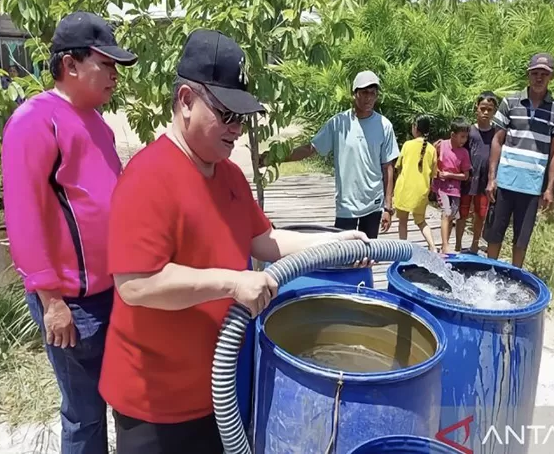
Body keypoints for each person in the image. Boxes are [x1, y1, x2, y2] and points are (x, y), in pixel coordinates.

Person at [98, 29, 371, 454]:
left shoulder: (228, 175)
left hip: (219, 387)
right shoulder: (148, 177)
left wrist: (337, 244)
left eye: (241, 117)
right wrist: (231, 282)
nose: (237, 129)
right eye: (226, 114)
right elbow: (136, 285)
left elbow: (265, 241)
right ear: (186, 100)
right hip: (156, 404)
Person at [0, 11, 138, 454]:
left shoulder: (96, 122)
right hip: (70, 302)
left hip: (112, 289)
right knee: (84, 413)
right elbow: (23, 215)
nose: (115, 75)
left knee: (123, 398)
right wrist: (50, 299)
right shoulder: (35, 120)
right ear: (71, 65)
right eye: (107, 64)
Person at [259, 70, 400, 239]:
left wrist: (387, 206)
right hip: (347, 204)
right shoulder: (339, 123)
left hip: (373, 204)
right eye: (364, 92)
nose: (368, 98)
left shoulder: (384, 126)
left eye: (373, 93)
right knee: (342, 255)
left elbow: (388, 167)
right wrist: (275, 157)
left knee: (367, 254)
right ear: (354, 94)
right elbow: (309, 149)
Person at [483, 53, 554, 268]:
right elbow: (497, 140)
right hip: (505, 180)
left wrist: (549, 188)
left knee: (522, 239)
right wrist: (491, 178)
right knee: (495, 234)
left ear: (551, 77)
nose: (539, 78)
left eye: (544, 74)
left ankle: (514, 277)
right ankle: (487, 275)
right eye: (535, 73)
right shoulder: (510, 102)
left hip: (531, 186)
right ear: (528, 75)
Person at [455, 92, 499, 254]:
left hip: (486, 180)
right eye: (483, 109)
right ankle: (458, 245)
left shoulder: (497, 133)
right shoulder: (470, 131)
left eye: (490, 109)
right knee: (463, 213)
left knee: (480, 215)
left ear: (494, 112)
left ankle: (474, 246)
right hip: (468, 179)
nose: (486, 112)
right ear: (477, 109)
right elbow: (458, 150)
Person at [392, 115, 438, 251]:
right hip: (421, 191)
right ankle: (433, 247)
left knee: (403, 221)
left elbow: (398, 166)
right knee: (421, 221)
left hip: (404, 189)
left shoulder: (407, 145)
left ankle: (403, 248)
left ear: (415, 128)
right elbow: (434, 173)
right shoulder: (432, 149)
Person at [433, 117, 472, 254]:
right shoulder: (440, 145)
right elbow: (430, 161)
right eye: (462, 137)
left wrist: (450, 175)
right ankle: (445, 245)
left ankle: (446, 242)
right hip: (441, 188)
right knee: (446, 213)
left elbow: (465, 176)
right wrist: (436, 172)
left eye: (466, 137)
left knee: (451, 216)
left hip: (455, 190)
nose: (464, 140)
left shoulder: (464, 153)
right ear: (453, 135)